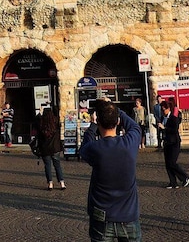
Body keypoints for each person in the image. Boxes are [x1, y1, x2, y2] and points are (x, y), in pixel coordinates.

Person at [79, 99, 142, 242]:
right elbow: (134, 127)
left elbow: (84, 148)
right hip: (128, 216)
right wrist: (115, 110)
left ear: (99, 121)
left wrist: (93, 125)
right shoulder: (129, 143)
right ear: (118, 121)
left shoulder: (95, 149)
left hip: (102, 217)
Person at [158, 100, 189, 189]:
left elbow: (174, 129)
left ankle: (184, 176)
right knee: (168, 163)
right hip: (167, 142)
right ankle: (173, 182)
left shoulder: (173, 117)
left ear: (168, 109)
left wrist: (164, 128)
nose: (162, 111)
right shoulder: (163, 117)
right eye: (161, 110)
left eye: (164, 110)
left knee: (172, 162)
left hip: (174, 142)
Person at [34, 106, 66, 190]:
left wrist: (39, 113)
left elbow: (36, 121)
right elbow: (57, 114)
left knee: (47, 166)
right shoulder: (55, 123)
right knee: (57, 165)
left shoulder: (41, 124)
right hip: (55, 148)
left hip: (45, 149)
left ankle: (50, 183)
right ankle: (62, 183)